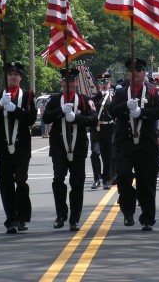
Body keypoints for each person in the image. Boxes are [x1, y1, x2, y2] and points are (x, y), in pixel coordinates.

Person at [0, 61, 37, 233]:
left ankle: (23, 216)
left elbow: (31, 120)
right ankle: (11, 219)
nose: (12, 76)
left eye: (15, 74)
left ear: (20, 77)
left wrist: (15, 109)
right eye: (10, 74)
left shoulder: (28, 96)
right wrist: (0, 106)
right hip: (3, 147)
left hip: (21, 147)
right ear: (6, 77)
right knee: (5, 185)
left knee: (20, 180)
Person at [110, 58, 159, 231]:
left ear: (144, 73)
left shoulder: (152, 92)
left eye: (139, 70)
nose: (135, 73)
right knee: (124, 176)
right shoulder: (120, 93)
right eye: (132, 70)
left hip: (146, 145)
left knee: (147, 183)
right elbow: (111, 110)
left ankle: (148, 218)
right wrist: (125, 106)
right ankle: (128, 211)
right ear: (127, 73)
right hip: (125, 144)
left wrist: (143, 112)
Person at [43, 67, 97, 231]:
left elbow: (93, 119)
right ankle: (61, 215)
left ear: (76, 82)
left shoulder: (84, 100)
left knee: (77, 183)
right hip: (59, 148)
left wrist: (77, 118)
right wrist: (60, 111)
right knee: (58, 180)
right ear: (62, 82)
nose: (69, 83)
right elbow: (46, 117)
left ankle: (75, 218)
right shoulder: (54, 99)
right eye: (66, 80)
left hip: (78, 148)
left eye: (72, 80)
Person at [89, 72, 116, 190]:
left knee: (107, 155)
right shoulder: (95, 98)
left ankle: (107, 180)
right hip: (96, 128)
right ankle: (96, 179)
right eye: (101, 82)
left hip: (109, 129)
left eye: (106, 82)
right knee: (95, 153)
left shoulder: (113, 97)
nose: (104, 84)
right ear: (98, 84)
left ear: (109, 83)